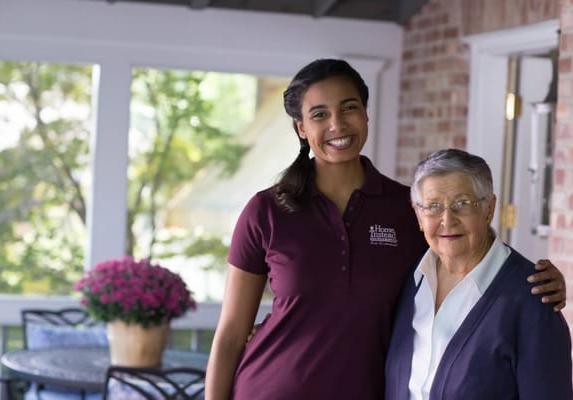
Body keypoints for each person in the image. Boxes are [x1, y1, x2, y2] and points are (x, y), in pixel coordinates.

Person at [205, 59, 567, 400]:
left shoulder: (407, 209)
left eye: (349, 107)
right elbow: (232, 334)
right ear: (301, 128)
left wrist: (534, 283)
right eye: (319, 114)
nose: (337, 124)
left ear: (365, 115)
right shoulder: (266, 210)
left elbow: (468, 249)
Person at [385, 148, 572, 400]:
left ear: (489, 208)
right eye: (433, 206)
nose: (447, 220)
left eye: (462, 204)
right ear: (418, 216)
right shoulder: (410, 280)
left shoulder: (533, 299)